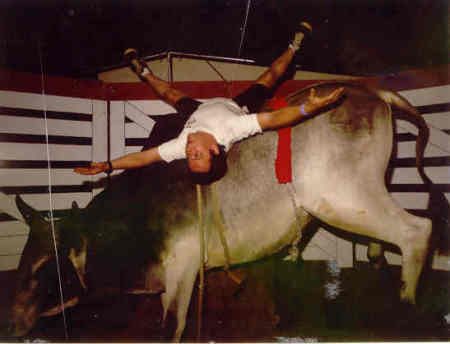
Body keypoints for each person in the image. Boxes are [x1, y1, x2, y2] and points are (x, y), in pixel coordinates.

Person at [75, 22, 344, 183]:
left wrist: (108, 166)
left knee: (169, 94)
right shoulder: (231, 129)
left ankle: (142, 71)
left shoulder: (182, 145)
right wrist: (309, 107)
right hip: (237, 106)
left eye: (190, 158)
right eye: (198, 155)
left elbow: (143, 158)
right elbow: (274, 120)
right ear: (214, 149)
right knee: (271, 76)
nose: (190, 152)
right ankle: (295, 45)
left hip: (198, 112)